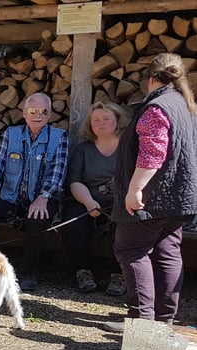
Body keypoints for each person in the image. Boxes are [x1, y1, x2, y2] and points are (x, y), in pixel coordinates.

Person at [104, 53, 197, 333]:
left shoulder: (157, 107)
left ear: (152, 78)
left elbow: (152, 154)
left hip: (153, 196)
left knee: (131, 249)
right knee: (167, 251)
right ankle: (163, 322)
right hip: (180, 197)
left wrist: (135, 189)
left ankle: (141, 323)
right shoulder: (185, 105)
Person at [0, 92, 69, 291]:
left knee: (37, 219)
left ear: (50, 115)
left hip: (42, 196)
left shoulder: (60, 137)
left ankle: (28, 272)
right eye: (33, 111)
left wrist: (43, 198)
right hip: (11, 196)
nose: (38, 116)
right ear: (24, 113)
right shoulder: (11, 134)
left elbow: (57, 174)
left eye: (43, 112)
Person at [59, 101, 127, 295]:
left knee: (124, 224)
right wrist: (88, 202)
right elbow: (75, 181)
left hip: (121, 201)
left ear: (117, 121)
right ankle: (82, 271)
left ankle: (120, 274)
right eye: (96, 120)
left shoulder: (129, 148)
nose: (101, 123)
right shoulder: (83, 150)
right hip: (88, 199)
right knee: (73, 221)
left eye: (106, 119)